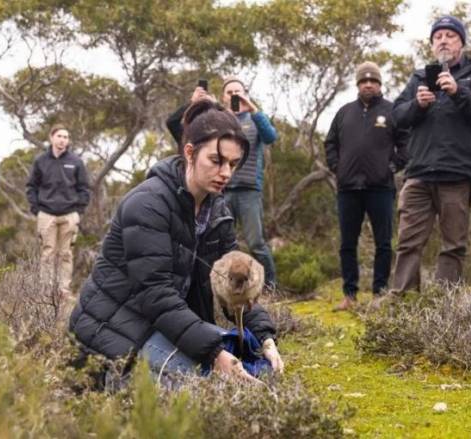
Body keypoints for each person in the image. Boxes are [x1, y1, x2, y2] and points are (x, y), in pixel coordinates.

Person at [69, 100, 283, 381]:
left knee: (256, 371)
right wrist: (213, 353)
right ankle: (111, 383)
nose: (226, 173)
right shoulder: (147, 204)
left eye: (233, 164)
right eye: (216, 161)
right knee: (201, 387)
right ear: (190, 152)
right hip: (112, 333)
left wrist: (265, 337)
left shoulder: (216, 210)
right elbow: (156, 297)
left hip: (166, 325)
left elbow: (234, 285)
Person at [390, 15, 471, 293]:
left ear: (461, 43)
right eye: (437, 36)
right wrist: (417, 105)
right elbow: (396, 116)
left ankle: (445, 308)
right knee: (408, 242)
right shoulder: (418, 78)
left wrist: (458, 91)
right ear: (431, 45)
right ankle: (402, 304)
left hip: (457, 172)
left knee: (453, 245)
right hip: (418, 173)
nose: (443, 40)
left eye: (450, 35)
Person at [166, 78, 279, 290]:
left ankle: (270, 287)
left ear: (246, 93)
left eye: (239, 91)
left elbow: (271, 136)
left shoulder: (254, 119)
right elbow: (177, 126)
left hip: (249, 190)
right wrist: (195, 104)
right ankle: (222, 287)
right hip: (220, 192)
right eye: (230, 92)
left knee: (256, 242)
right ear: (223, 96)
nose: (235, 95)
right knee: (218, 242)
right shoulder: (217, 121)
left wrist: (253, 109)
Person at [324, 62, 409, 311]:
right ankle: (349, 295)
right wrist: (336, 167)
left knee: (384, 243)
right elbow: (330, 143)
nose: (368, 84)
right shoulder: (344, 112)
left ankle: (379, 294)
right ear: (358, 85)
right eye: (363, 81)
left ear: (380, 84)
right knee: (347, 243)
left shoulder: (392, 111)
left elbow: (406, 144)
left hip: (380, 187)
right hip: (348, 188)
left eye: (373, 81)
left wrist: (391, 167)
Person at [26, 124, 90, 296]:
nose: (63, 140)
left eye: (66, 137)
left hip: (69, 215)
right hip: (46, 214)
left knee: (66, 254)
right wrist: (36, 209)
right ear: (52, 137)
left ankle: (63, 290)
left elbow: (84, 188)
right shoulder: (41, 161)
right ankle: (45, 291)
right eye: (60, 136)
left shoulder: (76, 162)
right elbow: (31, 186)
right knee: (47, 253)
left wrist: (78, 211)